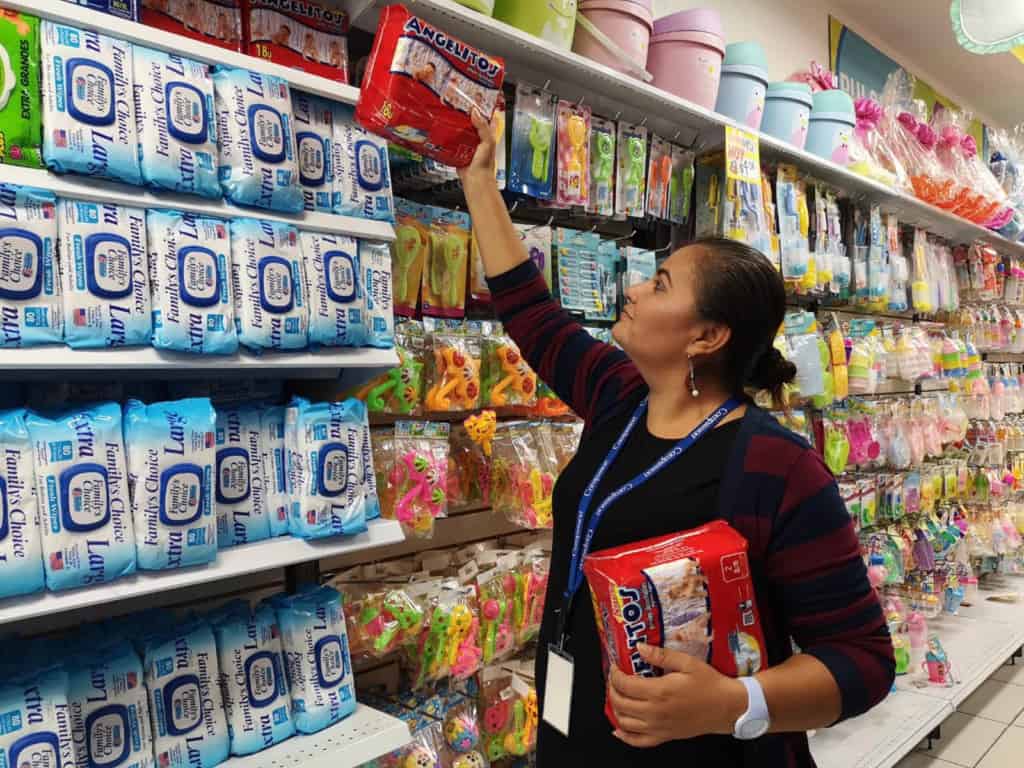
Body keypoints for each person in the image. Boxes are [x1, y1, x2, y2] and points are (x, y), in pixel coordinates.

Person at [458, 109, 894, 767]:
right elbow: (532, 313)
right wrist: (479, 184)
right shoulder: (618, 396)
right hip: (580, 723)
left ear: (706, 336)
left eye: (660, 284)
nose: (633, 288)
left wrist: (735, 701)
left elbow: (863, 661)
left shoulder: (779, 469)